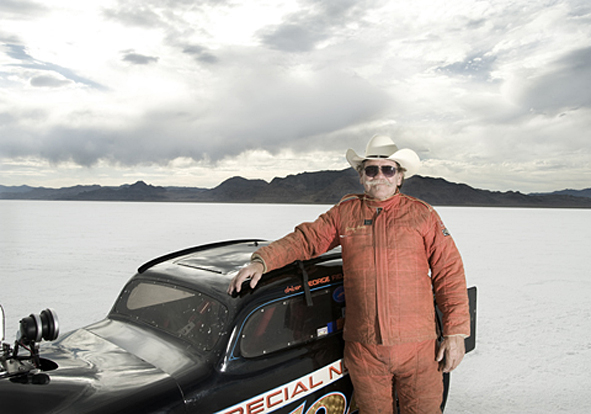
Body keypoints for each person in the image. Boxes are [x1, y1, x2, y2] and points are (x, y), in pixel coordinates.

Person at [228, 135, 470, 414]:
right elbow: (306, 239)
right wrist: (263, 261)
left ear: (400, 177)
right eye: (372, 170)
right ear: (361, 176)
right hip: (365, 352)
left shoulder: (422, 215)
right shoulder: (346, 213)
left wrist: (455, 333)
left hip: (418, 348)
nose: (380, 176)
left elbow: (449, 272)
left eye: (388, 169)